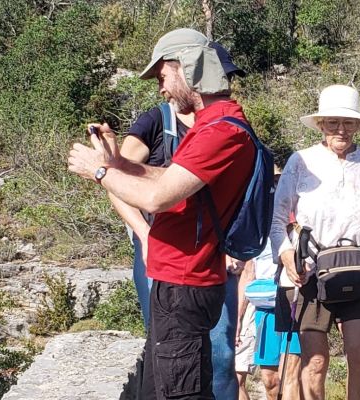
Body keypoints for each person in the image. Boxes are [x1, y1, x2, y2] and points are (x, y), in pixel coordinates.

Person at [66, 27, 256, 400]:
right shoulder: (212, 126)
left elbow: (157, 197)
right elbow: (171, 178)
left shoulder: (221, 131)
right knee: (164, 388)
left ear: (187, 69)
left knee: (180, 392)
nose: (161, 88)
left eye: (163, 76)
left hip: (186, 282)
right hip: (179, 281)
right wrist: (118, 162)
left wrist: (99, 171)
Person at [271, 85, 360, 400]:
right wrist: (287, 256)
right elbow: (276, 219)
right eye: (333, 123)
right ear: (320, 125)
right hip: (310, 273)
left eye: (349, 123)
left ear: (358, 126)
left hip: (356, 269)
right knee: (315, 361)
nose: (341, 130)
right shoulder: (301, 161)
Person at [238, 236, 301, 400]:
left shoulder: (299, 222)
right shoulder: (259, 228)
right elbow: (248, 273)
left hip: (293, 303)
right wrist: (239, 317)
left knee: (289, 375)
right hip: (265, 306)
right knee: (269, 379)